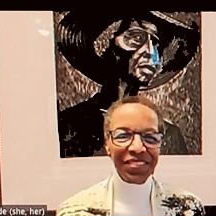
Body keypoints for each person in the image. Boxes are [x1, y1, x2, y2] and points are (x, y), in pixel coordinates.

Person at [56, 11, 197, 158]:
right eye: (137, 38)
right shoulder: (71, 126)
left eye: (156, 44)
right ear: (106, 46)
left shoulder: (168, 135)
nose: (150, 52)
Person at [57, 96, 205, 216]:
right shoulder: (75, 212)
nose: (137, 148)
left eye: (150, 137)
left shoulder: (188, 209)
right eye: (123, 136)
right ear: (107, 144)